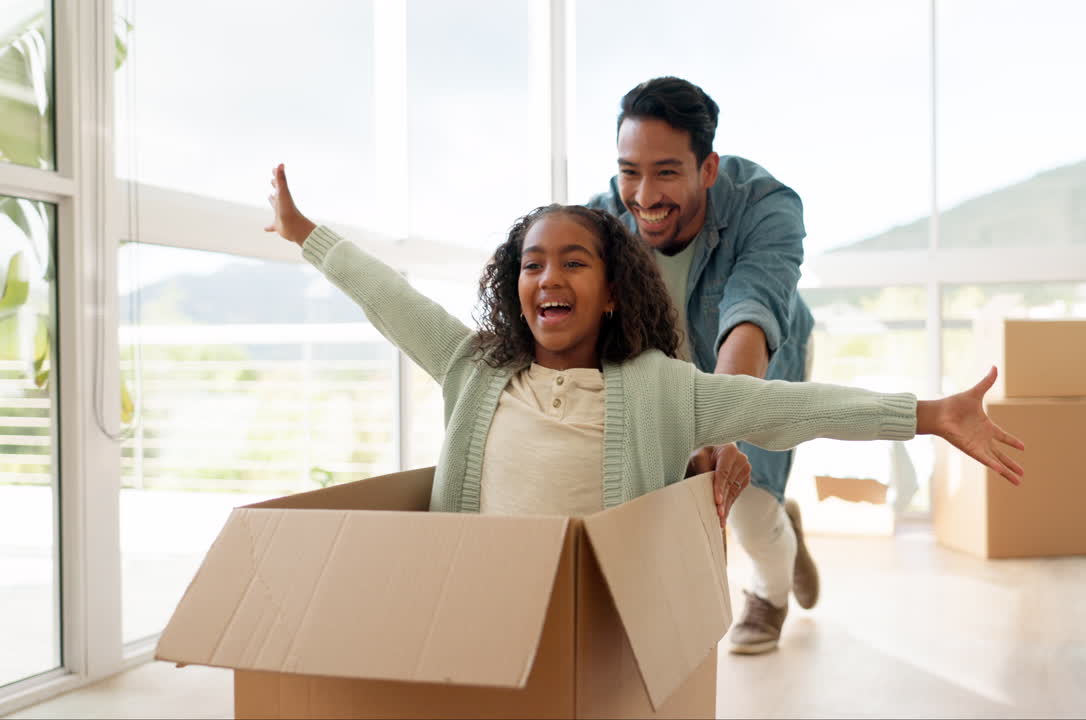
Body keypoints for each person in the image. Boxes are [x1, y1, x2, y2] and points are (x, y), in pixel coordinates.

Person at [264, 163, 1025, 541]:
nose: (549, 278)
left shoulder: (664, 387)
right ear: (513, 282)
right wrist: (308, 235)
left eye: (573, 262)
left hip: (596, 610)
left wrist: (926, 414)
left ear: (614, 290)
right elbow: (392, 299)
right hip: (481, 595)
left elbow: (791, 405)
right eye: (532, 264)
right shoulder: (475, 367)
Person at [586, 76, 821, 653]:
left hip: (767, 351)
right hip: (670, 361)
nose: (642, 195)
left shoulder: (767, 206)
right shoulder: (601, 224)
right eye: (629, 170)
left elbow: (751, 315)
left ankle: (768, 595)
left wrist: (721, 432)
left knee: (743, 499)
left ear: (708, 169)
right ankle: (780, 519)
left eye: (666, 172)